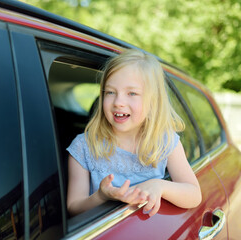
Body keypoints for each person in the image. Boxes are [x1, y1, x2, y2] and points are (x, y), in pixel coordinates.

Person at [66, 49, 202, 217]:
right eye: (110, 92)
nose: (118, 102)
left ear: (152, 101)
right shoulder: (83, 147)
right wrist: (101, 195)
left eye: (132, 93)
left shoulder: (164, 141)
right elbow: (73, 207)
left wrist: (159, 186)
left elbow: (194, 194)